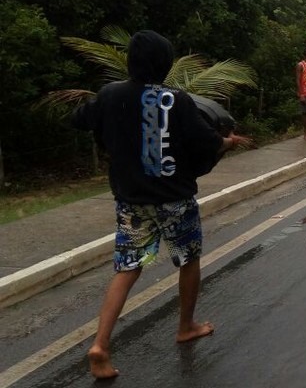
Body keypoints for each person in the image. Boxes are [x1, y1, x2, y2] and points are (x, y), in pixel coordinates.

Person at [72, 31, 250, 380]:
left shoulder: (110, 95)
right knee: (188, 259)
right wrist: (227, 143)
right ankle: (186, 326)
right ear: (165, 64)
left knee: (127, 269)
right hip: (174, 199)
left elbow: (79, 119)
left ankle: (101, 345)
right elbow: (204, 141)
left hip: (131, 202)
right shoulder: (176, 100)